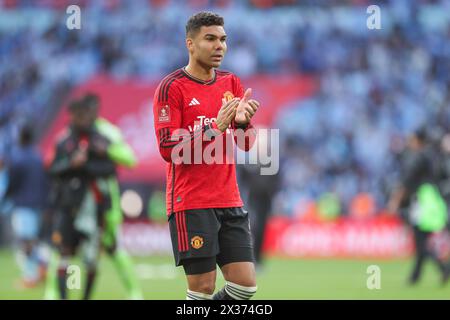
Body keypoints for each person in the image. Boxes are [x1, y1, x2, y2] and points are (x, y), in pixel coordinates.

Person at [153, 12, 261, 300]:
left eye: (223, 40)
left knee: (245, 285)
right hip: (191, 202)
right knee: (202, 288)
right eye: (210, 39)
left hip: (229, 199)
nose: (220, 46)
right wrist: (215, 127)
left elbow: (247, 144)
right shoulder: (172, 87)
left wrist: (241, 123)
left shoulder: (231, 83)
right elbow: (168, 149)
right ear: (190, 43)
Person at [48, 97, 116, 299]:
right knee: (65, 254)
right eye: (78, 115)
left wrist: (86, 165)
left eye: (85, 115)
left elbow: (110, 169)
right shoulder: (64, 142)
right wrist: (71, 164)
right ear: (72, 117)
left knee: (90, 258)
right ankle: (65, 296)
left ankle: (84, 297)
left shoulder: (100, 141)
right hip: (68, 208)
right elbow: (53, 169)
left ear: (90, 116)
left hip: (94, 207)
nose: (82, 119)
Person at [388, 129, 450, 285]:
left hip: (424, 203)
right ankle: (416, 276)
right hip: (434, 200)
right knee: (421, 241)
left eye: (411, 139)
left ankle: (443, 269)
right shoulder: (433, 155)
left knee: (420, 241)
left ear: (417, 140)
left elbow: (406, 181)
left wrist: (395, 202)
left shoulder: (418, 157)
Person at [4, 125, 49, 287]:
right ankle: (41, 267)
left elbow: (12, 183)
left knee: (26, 241)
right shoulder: (38, 156)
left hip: (23, 204)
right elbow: (45, 182)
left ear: (20, 137)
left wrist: (5, 199)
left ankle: (32, 275)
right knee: (32, 240)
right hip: (39, 204)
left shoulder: (17, 158)